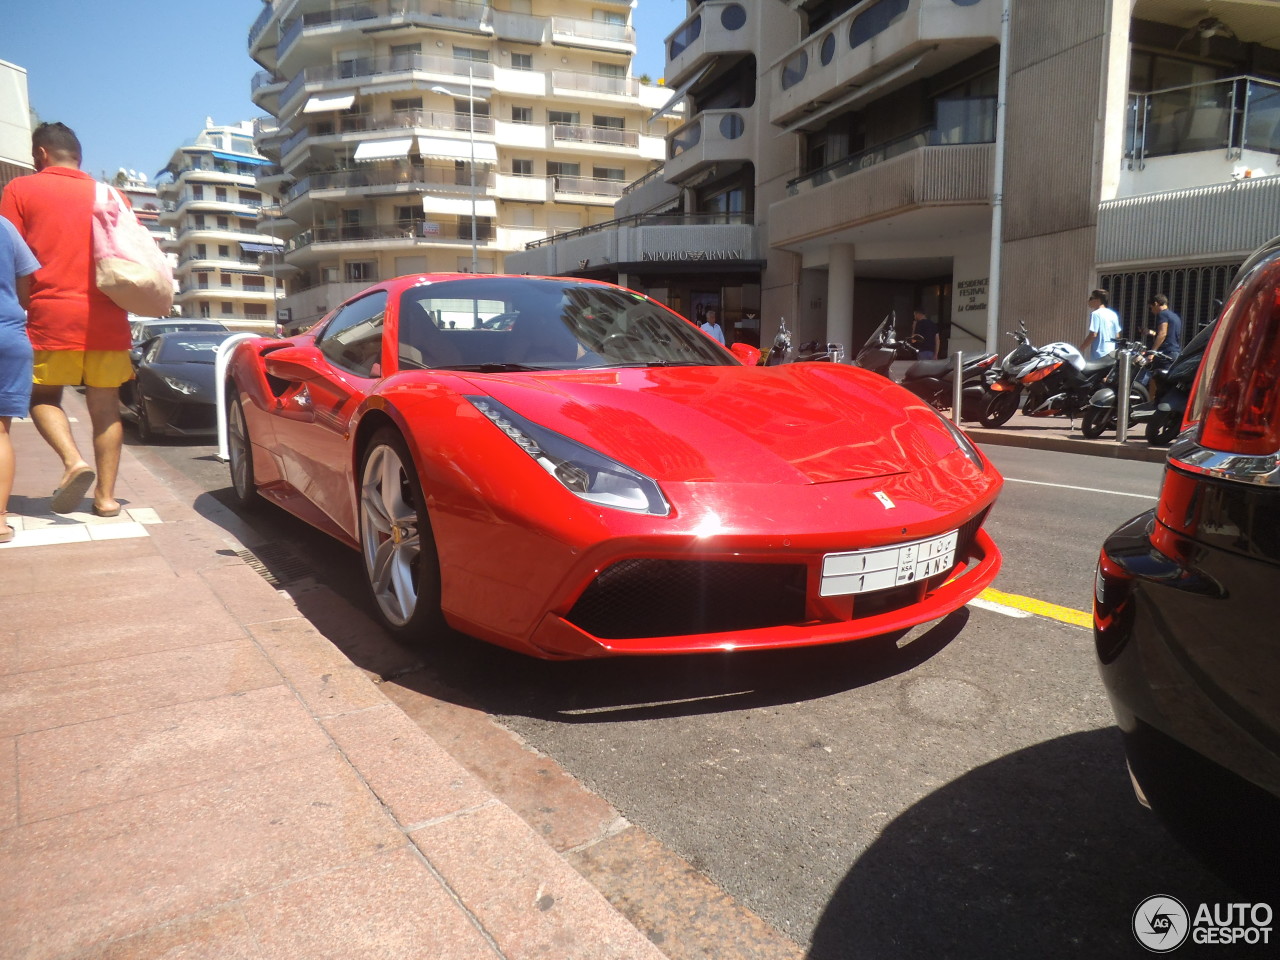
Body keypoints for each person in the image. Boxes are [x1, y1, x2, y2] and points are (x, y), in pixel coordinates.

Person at [1, 122, 132, 517]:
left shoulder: (20, 190)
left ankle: (73, 460)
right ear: (79, 156)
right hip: (109, 317)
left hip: (51, 314)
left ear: (40, 154)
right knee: (106, 407)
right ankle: (107, 499)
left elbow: (12, 260)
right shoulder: (111, 194)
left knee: (42, 397)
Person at [0, 215, 40, 543]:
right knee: (0, 431)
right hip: (8, 335)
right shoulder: (4, 227)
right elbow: (27, 284)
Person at [1080, 288, 1121, 361]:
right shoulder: (1113, 314)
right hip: (1111, 353)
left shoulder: (1095, 314)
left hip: (1099, 354)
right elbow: (1117, 335)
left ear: (1098, 300)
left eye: (1091, 298)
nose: (1089, 301)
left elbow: (1093, 334)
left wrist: (1081, 348)